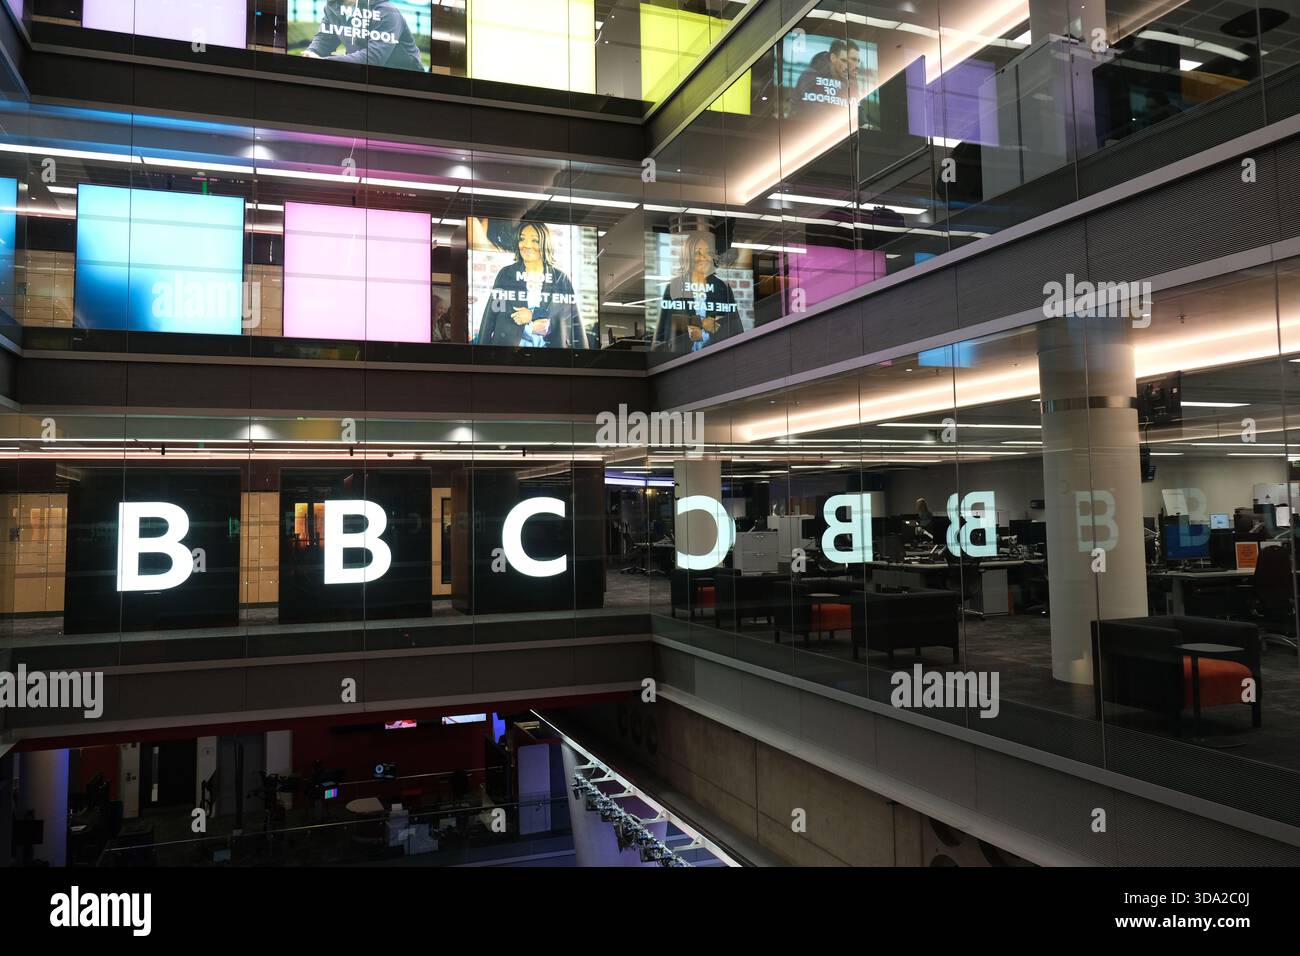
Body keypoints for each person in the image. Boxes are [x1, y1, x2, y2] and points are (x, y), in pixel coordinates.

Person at [476, 221, 579, 348]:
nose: (527, 245)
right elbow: (491, 316)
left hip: (551, 359)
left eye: (535, 240)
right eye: (522, 239)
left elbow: (572, 320)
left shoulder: (561, 279)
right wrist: (480, 353)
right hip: (510, 356)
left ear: (544, 244)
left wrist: (533, 315)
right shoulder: (505, 274)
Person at [653, 232, 742, 352]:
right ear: (688, 255)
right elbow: (665, 330)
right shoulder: (675, 287)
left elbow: (735, 328)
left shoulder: (722, 288)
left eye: (708, 252)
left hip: (718, 355)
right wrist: (700, 323)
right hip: (680, 358)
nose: (704, 257)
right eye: (697, 253)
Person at [300, 0, 426, 72]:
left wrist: (323, 62)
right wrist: (310, 53)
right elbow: (324, 40)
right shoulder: (332, 7)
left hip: (404, 82)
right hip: (361, 74)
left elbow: (373, 58)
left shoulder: (386, 11)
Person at [791, 39, 860, 117]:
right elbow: (816, 111)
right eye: (843, 61)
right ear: (833, 58)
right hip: (802, 124)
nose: (847, 66)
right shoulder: (811, 75)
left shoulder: (850, 78)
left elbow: (856, 106)